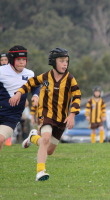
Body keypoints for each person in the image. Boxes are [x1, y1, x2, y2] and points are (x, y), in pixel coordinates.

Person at [9, 47, 81, 181]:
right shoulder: (46, 76)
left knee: (49, 150)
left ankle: (33, 138)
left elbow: (77, 96)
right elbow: (30, 83)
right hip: (45, 114)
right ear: (53, 62)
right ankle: (40, 171)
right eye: (61, 61)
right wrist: (19, 93)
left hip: (61, 119)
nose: (65, 64)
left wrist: (72, 115)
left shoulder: (70, 79)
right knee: (46, 139)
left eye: (66, 61)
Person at [0, 45, 39, 151]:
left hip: (11, 116)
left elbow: (36, 87)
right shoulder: (1, 71)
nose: (22, 62)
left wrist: (35, 96)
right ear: (12, 60)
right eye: (19, 59)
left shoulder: (29, 74)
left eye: (24, 59)